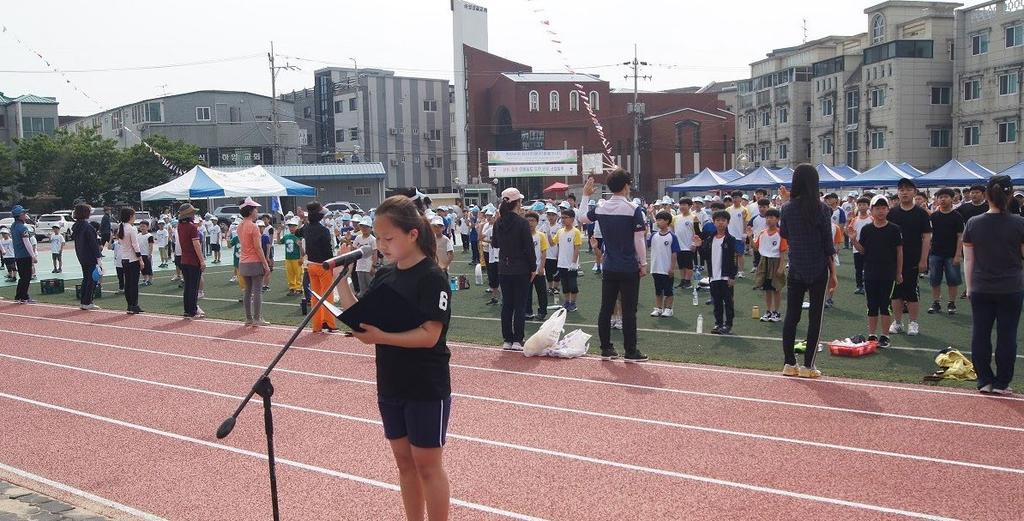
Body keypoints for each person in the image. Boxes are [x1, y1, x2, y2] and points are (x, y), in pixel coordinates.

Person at [336, 195, 452, 521]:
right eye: (378, 238)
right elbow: (359, 314)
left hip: (425, 385)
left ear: (412, 234)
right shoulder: (386, 274)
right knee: (403, 462)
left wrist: (381, 337)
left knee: (427, 465)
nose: (382, 245)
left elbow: (430, 335)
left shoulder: (432, 276)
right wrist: (340, 280)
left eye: (389, 238)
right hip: (390, 382)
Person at [578, 169, 649, 362]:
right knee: (629, 310)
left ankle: (606, 348)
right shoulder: (633, 209)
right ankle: (630, 351)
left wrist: (585, 195)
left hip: (609, 265)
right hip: (628, 266)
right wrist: (643, 263)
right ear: (626, 186)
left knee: (606, 307)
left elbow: (582, 218)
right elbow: (639, 240)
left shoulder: (601, 207)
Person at [963, 175, 1024, 395]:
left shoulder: (973, 223)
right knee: (1007, 335)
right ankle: (1002, 382)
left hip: (981, 286)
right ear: (1010, 195)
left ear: (987, 194)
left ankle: (985, 380)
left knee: (980, 333)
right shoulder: (1019, 223)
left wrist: (969, 287)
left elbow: (969, 259)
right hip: (1011, 287)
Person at [779, 164, 838, 379]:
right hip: (818, 268)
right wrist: (834, 274)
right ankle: (808, 366)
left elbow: (784, 233)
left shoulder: (787, 208)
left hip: (796, 267)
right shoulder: (822, 209)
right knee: (816, 318)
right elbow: (827, 244)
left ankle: (788, 363)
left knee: (791, 316)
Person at [852, 195, 902, 349]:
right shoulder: (867, 229)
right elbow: (862, 251)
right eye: (877, 208)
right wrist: (853, 239)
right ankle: (872, 334)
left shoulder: (894, 229)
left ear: (888, 210)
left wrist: (899, 272)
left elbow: (899, 252)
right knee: (871, 305)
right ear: (871, 210)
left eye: (883, 208)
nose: (881, 211)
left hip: (888, 273)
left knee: (885, 305)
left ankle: (885, 335)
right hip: (870, 272)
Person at [887, 178, 932, 337]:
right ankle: (897, 322)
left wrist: (923, 259)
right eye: (901, 189)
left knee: (911, 291)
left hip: (913, 259)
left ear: (914, 191)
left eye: (907, 189)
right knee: (896, 293)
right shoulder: (892, 212)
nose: (904, 192)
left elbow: (927, 237)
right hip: (893, 261)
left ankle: (913, 323)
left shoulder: (921, 213)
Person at [492, 188, 535, 351]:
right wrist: (533, 267)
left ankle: (507, 339)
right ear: (517, 202)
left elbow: (495, 243)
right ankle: (518, 339)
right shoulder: (522, 222)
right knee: (520, 305)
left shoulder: (498, 222)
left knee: (507, 305)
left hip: (504, 267)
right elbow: (529, 248)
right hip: (521, 268)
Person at [295, 202, 337, 333]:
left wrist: (302, 219)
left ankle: (317, 325)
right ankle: (329, 323)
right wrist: (333, 265)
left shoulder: (306, 228)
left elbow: (297, 232)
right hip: (323, 266)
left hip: (311, 265)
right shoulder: (323, 230)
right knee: (327, 295)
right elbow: (328, 251)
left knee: (315, 297)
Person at [927, 188, 964, 316]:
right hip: (935, 253)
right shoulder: (934, 216)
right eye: (940, 197)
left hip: (951, 253)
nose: (942, 199)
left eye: (946, 197)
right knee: (934, 279)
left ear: (952, 198)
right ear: (937, 199)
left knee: (952, 280)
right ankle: (936, 302)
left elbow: (960, 236)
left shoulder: (957, 216)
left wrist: (958, 254)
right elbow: (929, 234)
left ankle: (951, 303)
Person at [700, 210, 737, 334]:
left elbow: (733, 258)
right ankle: (718, 323)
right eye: (718, 220)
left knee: (728, 302)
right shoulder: (710, 239)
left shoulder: (730, 239)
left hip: (726, 276)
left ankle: (728, 325)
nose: (720, 223)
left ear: (727, 222)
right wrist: (699, 245)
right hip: (714, 275)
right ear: (714, 222)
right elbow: (704, 255)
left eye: (723, 220)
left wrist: (732, 276)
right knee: (717, 302)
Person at [238, 198, 272, 327]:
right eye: (255, 209)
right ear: (251, 210)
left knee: (247, 290)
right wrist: (265, 264)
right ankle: (257, 318)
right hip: (254, 261)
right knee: (257, 291)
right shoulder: (253, 226)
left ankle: (248, 318)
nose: (257, 211)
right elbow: (258, 248)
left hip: (243, 261)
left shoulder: (240, 226)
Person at [753, 208, 787, 323]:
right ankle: (768, 311)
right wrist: (749, 237)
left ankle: (776, 312)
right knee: (767, 289)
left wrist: (781, 267)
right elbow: (756, 247)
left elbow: (783, 252)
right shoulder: (762, 233)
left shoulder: (780, 234)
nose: (769, 220)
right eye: (767, 217)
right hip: (764, 261)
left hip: (776, 261)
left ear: (777, 219)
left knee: (776, 288)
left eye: (772, 217)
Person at [648, 211, 681, 318]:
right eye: (657, 220)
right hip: (655, 268)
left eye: (660, 220)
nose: (658, 222)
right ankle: (658, 308)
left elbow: (674, 253)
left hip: (666, 269)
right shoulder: (653, 235)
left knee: (668, 290)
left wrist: (672, 268)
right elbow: (646, 245)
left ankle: (668, 309)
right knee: (658, 290)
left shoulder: (672, 236)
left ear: (667, 221)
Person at [71, 204, 103, 311]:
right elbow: (94, 244)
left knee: (86, 278)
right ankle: (87, 301)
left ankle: (84, 301)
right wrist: (98, 258)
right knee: (92, 279)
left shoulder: (76, 226)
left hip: (81, 255)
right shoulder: (87, 227)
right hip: (90, 256)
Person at [177, 203, 206, 319]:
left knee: (188, 286)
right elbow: (196, 244)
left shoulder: (180, 226)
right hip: (193, 260)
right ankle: (193, 310)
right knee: (193, 287)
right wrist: (202, 260)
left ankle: (187, 310)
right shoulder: (192, 227)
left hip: (184, 259)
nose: (194, 214)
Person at [116, 207, 145, 314]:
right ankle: (134, 305)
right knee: (133, 283)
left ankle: (129, 305)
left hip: (124, 258)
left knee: (128, 283)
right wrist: (140, 259)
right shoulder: (132, 229)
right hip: (132, 259)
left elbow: (120, 242)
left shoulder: (121, 227)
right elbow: (135, 245)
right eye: (134, 215)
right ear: (130, 217)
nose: (134, 218)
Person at [554, 209, 582, 313]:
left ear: (572, 219)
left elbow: (576, 248)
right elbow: (553, 243)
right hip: (561, 264)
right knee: (565, 285)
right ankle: (566, 302)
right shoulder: (560, 231)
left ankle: (573, 303)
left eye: (566, 217)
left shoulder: (576, 232)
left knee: (573, 285)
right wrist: (547, 232)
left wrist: (574, 262)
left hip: (571, 265)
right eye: (562, 217)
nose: (563, 220)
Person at [524, 211, 548, 321]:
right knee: (527, 292)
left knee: (541, 292)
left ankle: (542, 312)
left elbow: (543, 252)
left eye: (532, 220)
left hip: (538, 269)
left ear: (537, 222)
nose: (530, 223)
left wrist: (542, 267)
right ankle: (528, 312)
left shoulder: (541, 235)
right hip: (526, 270)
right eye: (528, 221)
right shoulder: (522, 236)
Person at [9, 206, 36, 303]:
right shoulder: (22, 227)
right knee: (27, 277)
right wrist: (33, 255)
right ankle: (24, 296)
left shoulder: (13, 226)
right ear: (20, 215)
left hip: (18, 255)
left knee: (22, 276)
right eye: (24, 213)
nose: (26, 215)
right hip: (25, 255)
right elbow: (27, 242)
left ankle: (19, 295)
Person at [673, 198, 701, 289]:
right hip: (678, 246)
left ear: (689, 206)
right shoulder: (676, 217)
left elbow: (698, 232)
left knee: (688, 265)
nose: (682, 207)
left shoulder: (694, 217)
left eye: (684, 205)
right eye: (681, 205)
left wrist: (694, 244)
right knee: (681, 265)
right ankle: (683, 280)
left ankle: (688, 282)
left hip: (689, 246)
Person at [846, 196, 871, 294]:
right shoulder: (854, 219)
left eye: (864, 205)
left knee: (868, 268)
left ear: (868, 206)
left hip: (869, 248)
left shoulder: (871, 219)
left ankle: (867, 286)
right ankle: (859, 286)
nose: (862, 207)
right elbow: (848, 230)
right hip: (856, 248)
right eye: (860, 205)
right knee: (858, 268)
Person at [725, 191, 751, 277]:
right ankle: (731, 270)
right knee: (730, 254)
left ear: (741, 199)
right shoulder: (728, 210)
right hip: (730, 235)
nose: (735, 199)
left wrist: (744, 234)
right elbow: (726, 223)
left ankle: (741, 271)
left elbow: (746, 223)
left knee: (740, 254)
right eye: (734, 197)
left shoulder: (744, 210)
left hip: (740, 236)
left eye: (737, 197)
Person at [352, 216, 378, 299]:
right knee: (362, 288)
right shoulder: (358, 238)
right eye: (362, 226)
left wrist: (373, 266)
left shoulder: (372, 239)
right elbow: (353, 249)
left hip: (368, 266)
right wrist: (348, 241)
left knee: (370, 287)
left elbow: (375, 253)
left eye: (366, 227)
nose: (364, 228)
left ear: (370, 228)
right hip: (359, 266)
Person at [481, 208, 501, 305]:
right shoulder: (490, 229)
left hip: (501, 258)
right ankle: (494, 298)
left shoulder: (503, 229)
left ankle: (504, 298)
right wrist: (480, 226)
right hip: (492, 258)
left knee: (502, 279)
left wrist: (493, 242)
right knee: (493, 279)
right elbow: (480, 238)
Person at [280, 217, 305, 296]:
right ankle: (292, 287)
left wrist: (301, 258)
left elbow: (301, 248)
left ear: (297, 227)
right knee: (290, 274)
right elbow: (279, 242)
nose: (291, 228)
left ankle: (299, 288)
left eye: (293, 226)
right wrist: (278, 233)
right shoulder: (287, 236)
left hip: (296, 258)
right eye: (290, 226)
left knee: (298, 274)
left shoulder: (298, 237)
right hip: (288, 258)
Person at [747, 199, 769, 273]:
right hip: (757, 240)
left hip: (767, 241)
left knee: (766, 257)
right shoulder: (755, 218)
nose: (762, 209)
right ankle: (755, 266)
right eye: (760, 207)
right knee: (757, 255)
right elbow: (749, 227)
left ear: (768, 207)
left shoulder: (770, 218)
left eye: (764, 207)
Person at [543, 207, 561, 296]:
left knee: (556, 272)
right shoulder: (545, 225)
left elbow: (554, 243)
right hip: (546, 254)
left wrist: (559, 254)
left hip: (555, 254)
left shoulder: (559, 228)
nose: (550, 217)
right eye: (549, 215)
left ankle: (556, 287)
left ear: (556, 216)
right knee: (548, 272)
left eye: (553, 215)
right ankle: (550, 287)